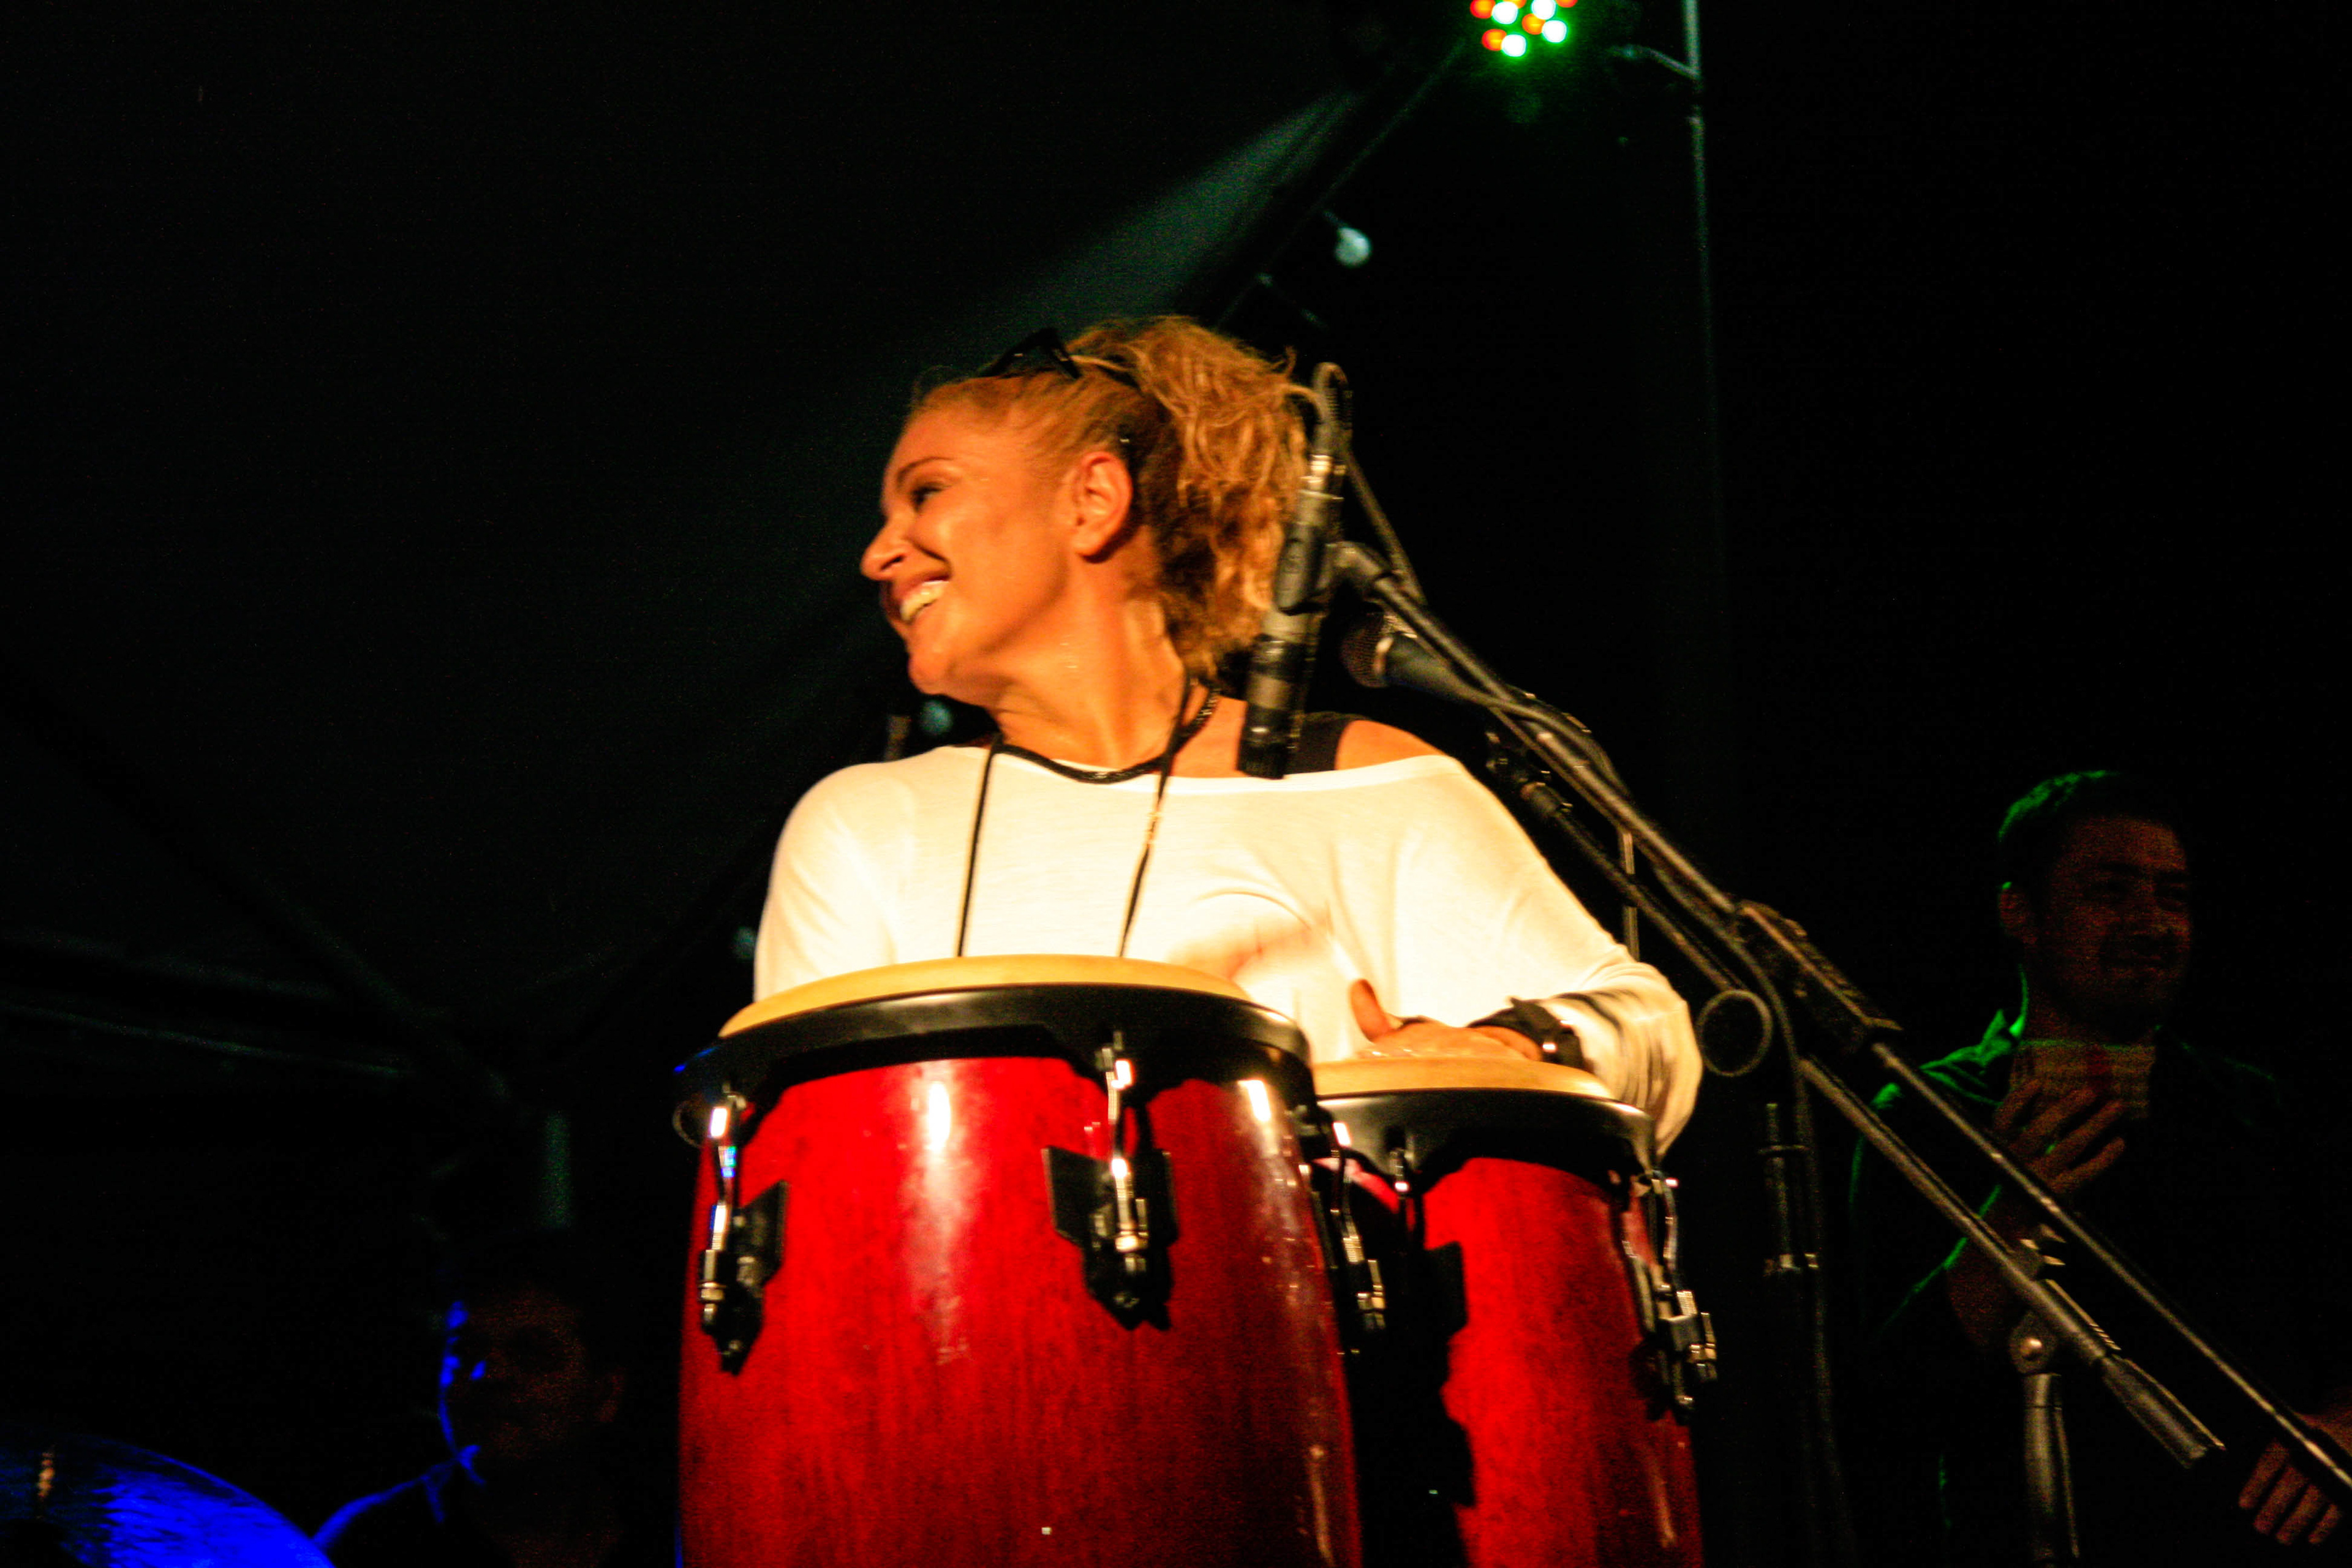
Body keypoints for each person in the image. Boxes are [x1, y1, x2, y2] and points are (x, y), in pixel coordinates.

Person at [752, 317, 1698, 1144]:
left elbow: (1648, 1025)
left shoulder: (1358, 786)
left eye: (926, 493)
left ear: (1092, 500)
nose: (878, 554)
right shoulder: (864, 828)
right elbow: (818, 1169)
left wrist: (1507, 1048)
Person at [1847, 771, 2351, 1562]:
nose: (2151, 921)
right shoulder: (1928, 1112)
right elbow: (1889, 1400)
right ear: (2021, 913)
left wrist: (2345, 1428)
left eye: (2173, 895)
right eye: (2110, 891)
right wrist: (2010, 1218)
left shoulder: (2257, 1107)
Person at [314, 1232, 671, 1568]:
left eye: (531, 1354)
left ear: (606, 1393)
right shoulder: (370, 1543)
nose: (487, 1375)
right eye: (465, 1350)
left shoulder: (673, 1534)